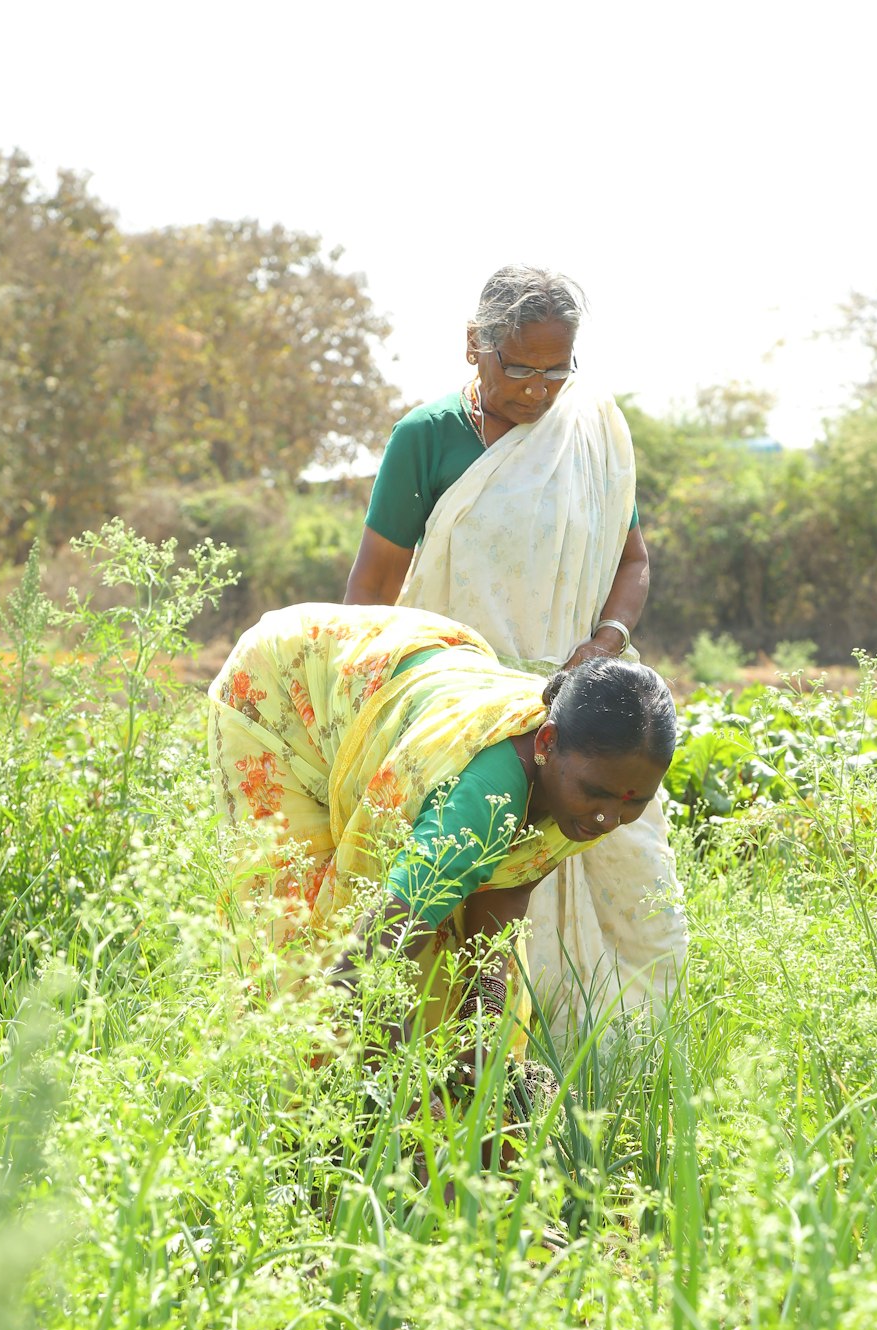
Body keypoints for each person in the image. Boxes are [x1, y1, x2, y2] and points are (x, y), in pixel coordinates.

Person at [344, 265, 687, 1032]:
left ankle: (585, 1082)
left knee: (623, 904)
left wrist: (604, 643)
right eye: (519, 368)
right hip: (462, 719)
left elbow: (633, 563)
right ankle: (419, 1072)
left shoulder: (593, 437)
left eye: (556, 371)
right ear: (475, 348)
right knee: (446, 901)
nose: (537, 391)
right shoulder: (428, 439)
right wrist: (363, 709)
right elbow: (371, 589)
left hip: (581, 719)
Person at [209, 602, 676, 1062]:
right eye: (597, 794)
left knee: (458, 1002)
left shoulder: (596, 780)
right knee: (300, 944)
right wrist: (405, 1081)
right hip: (292, 685)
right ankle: (283, 1111)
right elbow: (365, 961)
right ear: (546, 743)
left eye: (634, 802)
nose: (608, 819)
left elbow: (507, 885)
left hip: (415, 681)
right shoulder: (480, 802)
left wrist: (483, 1021)